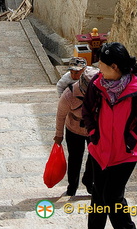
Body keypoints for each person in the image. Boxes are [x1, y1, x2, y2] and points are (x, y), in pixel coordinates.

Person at [82, 42, 137, 229]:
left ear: (114, 67)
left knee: (113, 198)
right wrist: (93, 135)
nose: (99, 68)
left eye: (102, 65)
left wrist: (129, 141)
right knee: (98, 196)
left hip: (125, 154)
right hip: (99, 150)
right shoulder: (97, 85)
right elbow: (87, 111)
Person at [54, 66, 97, 196]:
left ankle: (89, 181)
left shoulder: (101, 93)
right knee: (74, 159)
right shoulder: (69, 94)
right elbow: (60, 115)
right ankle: (72, 186)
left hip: (93, 129)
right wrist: (58, 135)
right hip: (74, 130)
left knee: (95, 156)